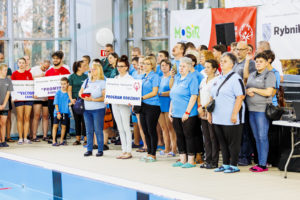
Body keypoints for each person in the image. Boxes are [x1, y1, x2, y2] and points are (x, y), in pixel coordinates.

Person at [208, 52, 245, 173]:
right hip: (218, 115)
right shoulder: (218, 78)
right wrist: (209, 113)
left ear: (232, 64)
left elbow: (240, 97)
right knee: (222, 141)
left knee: (233, 142)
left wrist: (235, 114)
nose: (222, 63)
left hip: (230, 116)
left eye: (225, 61)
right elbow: (212, 96)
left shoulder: (236, 78)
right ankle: (225, 163)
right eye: (221, 61)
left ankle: (234, 165)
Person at [246, 52, 276, 172]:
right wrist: (248, 91)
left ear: (266, 62)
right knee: (256, 137)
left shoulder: (269, 74)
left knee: (262, 137)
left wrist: (254, 89)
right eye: (257, 61)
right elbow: (247, 87)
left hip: (261, 110)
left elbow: (269, 92)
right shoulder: (252, 74)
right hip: (251, 109)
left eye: (261, 62)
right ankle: (259, 162)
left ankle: (263, 164)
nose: (258, 64)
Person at [169, 57, 198, 168]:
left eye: (184, 66)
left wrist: (187, 112)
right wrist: (170, 111)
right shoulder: (177, 78)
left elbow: (194, 96)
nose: (181, 68)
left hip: (188, 114)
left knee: (189, 136)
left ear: (189, 67)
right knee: (179, 136)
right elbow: (173, 95)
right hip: (176, 113)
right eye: (180, 66)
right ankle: (182, 159)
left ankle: (191, 160)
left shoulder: (192, 79)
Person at [233, 41, 257, 166]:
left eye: (241, 49)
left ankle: (246, 156)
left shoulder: (251, 63)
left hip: (246, 101)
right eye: (237, 49)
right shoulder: (235, 64)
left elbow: (248, 80)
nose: (238, 52)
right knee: (239, 130)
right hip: (236, 100)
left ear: (247, 50)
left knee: (246, 131)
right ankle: (239, 154)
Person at [79, 63, 106, 157]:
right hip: (87, 109)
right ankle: (89, 149)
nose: (92, 71)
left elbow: (104, 97)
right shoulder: (87, 81)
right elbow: (80, 93)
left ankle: (100, 149)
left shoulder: (102, 82)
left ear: (98, 70)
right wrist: (84, 97)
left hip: (98, 109)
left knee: (98, 130)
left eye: (94, 69)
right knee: (89, 130)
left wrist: (93, 99)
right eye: (91, 69)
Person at [111, 55, 133, 159]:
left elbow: (133, 94)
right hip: (115, 105)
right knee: (120, 128)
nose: (119, 68)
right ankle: (124, 150)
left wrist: (131, 101)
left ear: (126, 67)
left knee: (126, 128)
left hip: (124, 106)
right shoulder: (115, 78)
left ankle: (129, 151)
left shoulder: (130, 79)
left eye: (121, 66)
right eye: (118, 66)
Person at [198, 59, 219, 169]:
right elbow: (199, 94)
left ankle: (214, 161)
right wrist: (199, 107)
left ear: (214, 69)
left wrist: (204, 107)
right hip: (202, 111)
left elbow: (213, 98)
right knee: (206, 136)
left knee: (213, 137)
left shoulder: (216, 80)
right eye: (205, 67)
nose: (205, 69)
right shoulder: (203, 80)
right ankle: (208, 159)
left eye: (208, 67)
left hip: (211, 111)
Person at [45, 51, 70, 142]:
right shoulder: (48, 72)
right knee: (53, 117)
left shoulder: (66, 71)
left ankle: (64, 136)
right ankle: (53, 137)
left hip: (63, 99)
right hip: (51, 99)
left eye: (57, 58)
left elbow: (69, 86)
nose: (55, 60)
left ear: (61, 59)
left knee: (65, 117)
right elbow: (43, 86)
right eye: (54, 58)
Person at [139, 56, 161, 162]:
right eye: (144, 63)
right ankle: (148, 152)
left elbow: (154, 92)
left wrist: (141, 97)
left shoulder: (155, 76)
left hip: (152, 105)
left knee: (151, 129)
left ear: (152, 65)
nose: (144, 65)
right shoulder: (142, 76)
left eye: (147, 63)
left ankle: (153, 153)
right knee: (145, 130)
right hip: (142, 105)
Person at [11, 58, 34, 144]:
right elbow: (12, 87)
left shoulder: (29, 74)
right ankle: (20, 138)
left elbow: (31, 86)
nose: (21, 64)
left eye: (23, 63)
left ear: (25, 64)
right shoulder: (14, 74)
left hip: (28, 98)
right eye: (19, 63)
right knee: (20, 118)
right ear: (18, 64)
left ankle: (25, 137)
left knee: (27, 117)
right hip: (18, 98)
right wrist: (13, 97)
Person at [157, 59, 177, 156]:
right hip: (160, 104)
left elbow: (172, 91)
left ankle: (173, 149)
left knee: (171, 128)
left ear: (169, 66)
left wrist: (160, 93)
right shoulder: (160, 78)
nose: (163, 67)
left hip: (168, 104)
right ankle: (167, 148)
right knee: (163, 128)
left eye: (165, 65)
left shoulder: (172, 78)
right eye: (162, 65)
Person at [68, 61, 88, 145]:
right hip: (75, 101)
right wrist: (71, 99)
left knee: (84, 120)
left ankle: (86, 139)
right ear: (79, 68)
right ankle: (78, 139)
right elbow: (69, 90)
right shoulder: (72, 77)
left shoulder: (86, 76)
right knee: (77, 120)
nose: (85, 67)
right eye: (83, 66)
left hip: (84, 100)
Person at [31, 60, 51, 142]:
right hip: (37, 96)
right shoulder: (34, 70)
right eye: (44, 67)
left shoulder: (49, 71)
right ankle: (34, 136)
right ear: (41, 64)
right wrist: (40, 76)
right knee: (36, 116)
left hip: (46, 97)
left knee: (46, 116)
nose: (45, 69)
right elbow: (28, 80)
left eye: (47, 68)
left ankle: (45, 135)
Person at [132, 56, 148, 152]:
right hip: (138, 102)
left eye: (143, 63)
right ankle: (145, 145)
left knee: (148, 125)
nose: (141, 65)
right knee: (141, 125)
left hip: (147, 102)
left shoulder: (148, 75)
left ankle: (149, 144)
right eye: (140, 63)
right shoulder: (134, 75)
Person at [52, 77, 70, 146]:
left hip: (65, 112)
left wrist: (73, 102)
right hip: (58, 112)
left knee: (64, 127)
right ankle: (54, 141)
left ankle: (62, 141)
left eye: (64, 84)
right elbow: (56, 103)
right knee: (55, 126)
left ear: (67, 84)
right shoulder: (58, 92)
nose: (63, 85)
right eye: (61, 84)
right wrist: (58, 112)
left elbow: (69, 103)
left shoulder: (68, 93)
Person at [0, 64, 13, 147]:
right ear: (0, 70)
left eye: (6, 70)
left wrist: (4, 104)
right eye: (4, 70)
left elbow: (8, 94)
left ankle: (3, 141)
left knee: (3, 123)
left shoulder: (8, 81)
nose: (6, 72)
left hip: (5, 105)